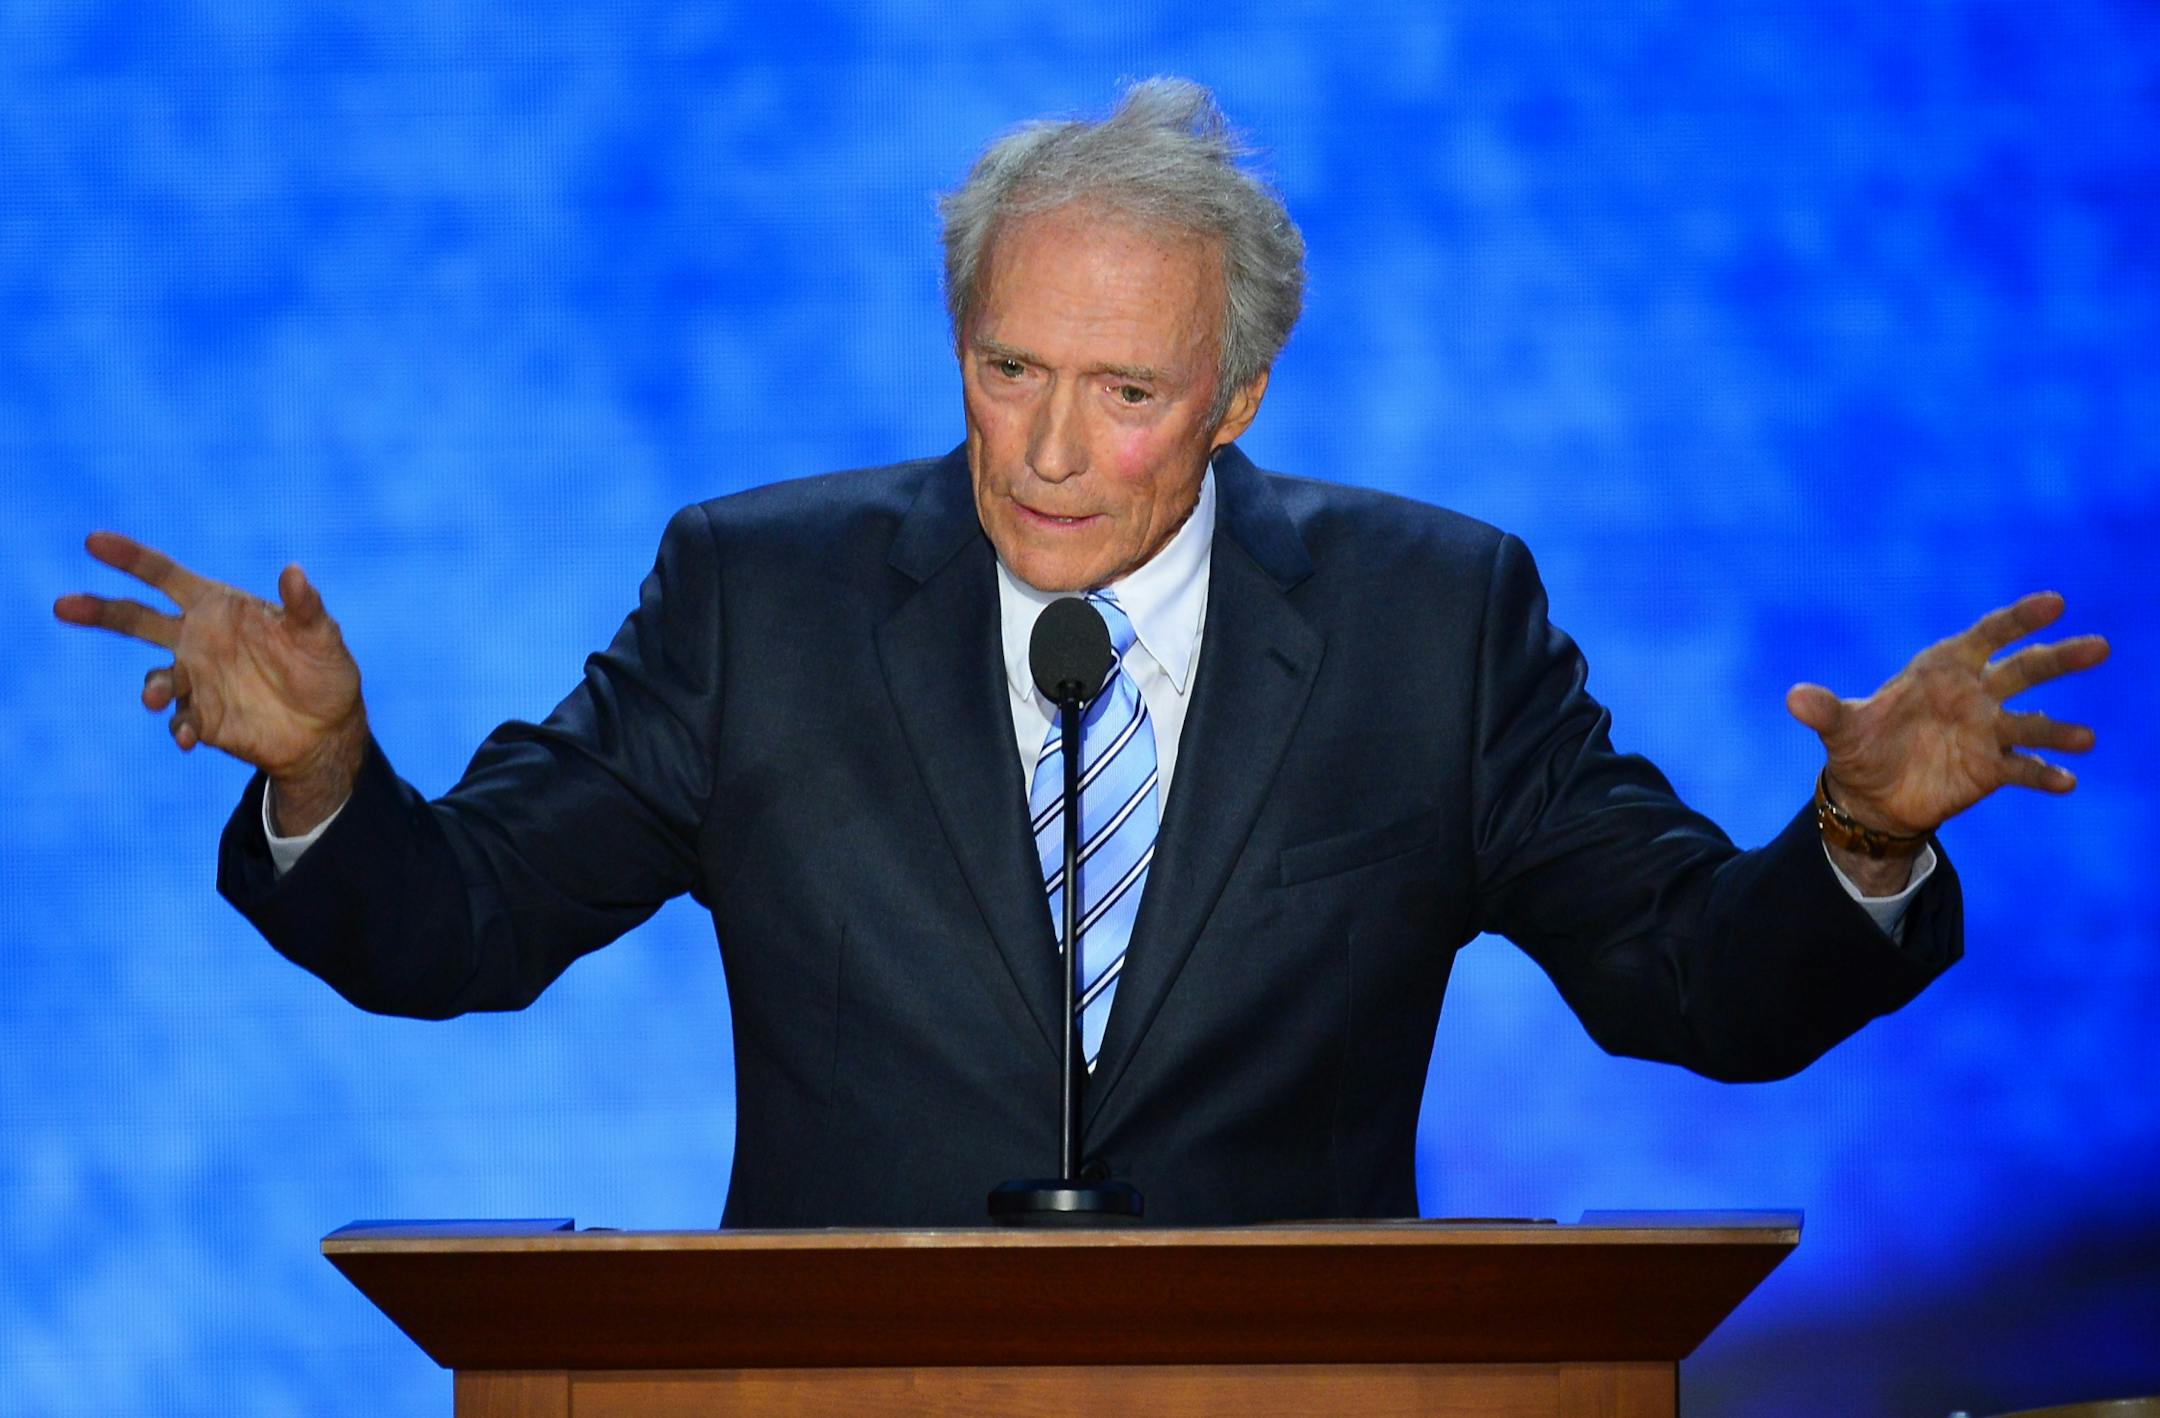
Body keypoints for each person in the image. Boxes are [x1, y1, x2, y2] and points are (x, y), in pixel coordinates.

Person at [55, 80, 2108, 1227]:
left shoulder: (1432, 617)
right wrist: (327, 779)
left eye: (1122, 392)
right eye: (1006, 369)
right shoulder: (755, 595)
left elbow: (1688, 985)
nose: (1045, 451)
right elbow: (464, 925)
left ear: (1238, 395)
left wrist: (1851, 843)